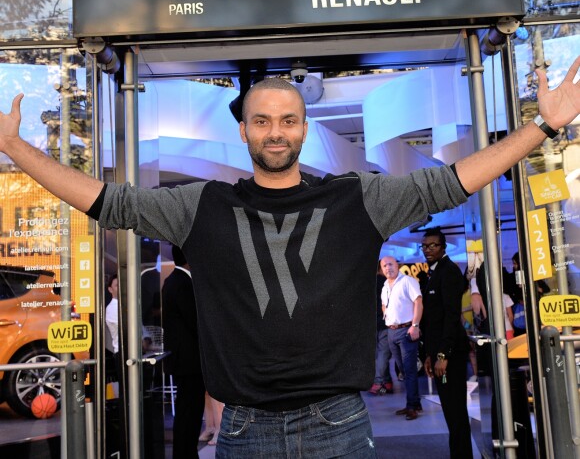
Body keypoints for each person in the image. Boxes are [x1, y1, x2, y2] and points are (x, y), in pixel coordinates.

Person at [0, 56, 578, 458]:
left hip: (342, 426)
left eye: (288, 120)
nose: (275, 132)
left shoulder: (359, 198)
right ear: (245, 132)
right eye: (262, 121)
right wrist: (16, 148)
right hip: (243, 428)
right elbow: (107, 202)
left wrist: (543, 126)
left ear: (304, 127)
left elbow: (451, 182)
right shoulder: (199, 206)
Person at [421, 228, 473, 459]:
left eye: (433, 245)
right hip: (439, 354)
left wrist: (443, 355)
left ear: (443, 247)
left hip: (450, 357)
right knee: (451, 412)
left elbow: (452, 316)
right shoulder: (435, 273)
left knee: (456, 411)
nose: (428, 249)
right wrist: (429, 355)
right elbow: (432, 319)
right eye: (425, 246)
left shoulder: (449, 272)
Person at [162, 245, 206, 459]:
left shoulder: (173, 281)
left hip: (183, 360)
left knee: (187, 410)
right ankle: (186, 453)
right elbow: (194, 321)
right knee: (190, 411)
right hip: (189, 361)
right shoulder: (182, 283)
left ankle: (185, 452)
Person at [381, 256, 423, 420]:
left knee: (410, 370)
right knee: (404, 372)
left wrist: (415, 325)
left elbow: (418, 302)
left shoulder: (408, 281)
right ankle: (413, 403)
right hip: (391, 331)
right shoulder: (385, 285)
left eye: (390, 264)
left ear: (397, 265)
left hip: (406, 330)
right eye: (384, 266)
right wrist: (387, 316)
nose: (387, 268)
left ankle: (412, 406)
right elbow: (384, 304)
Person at [368, 259, 393, 396]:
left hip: (373, 323)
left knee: (379, 354)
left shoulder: (370, 283)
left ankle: (386, 382)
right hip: (385, 322)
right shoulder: (386, 282)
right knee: (383, 353)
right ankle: (380, 383)